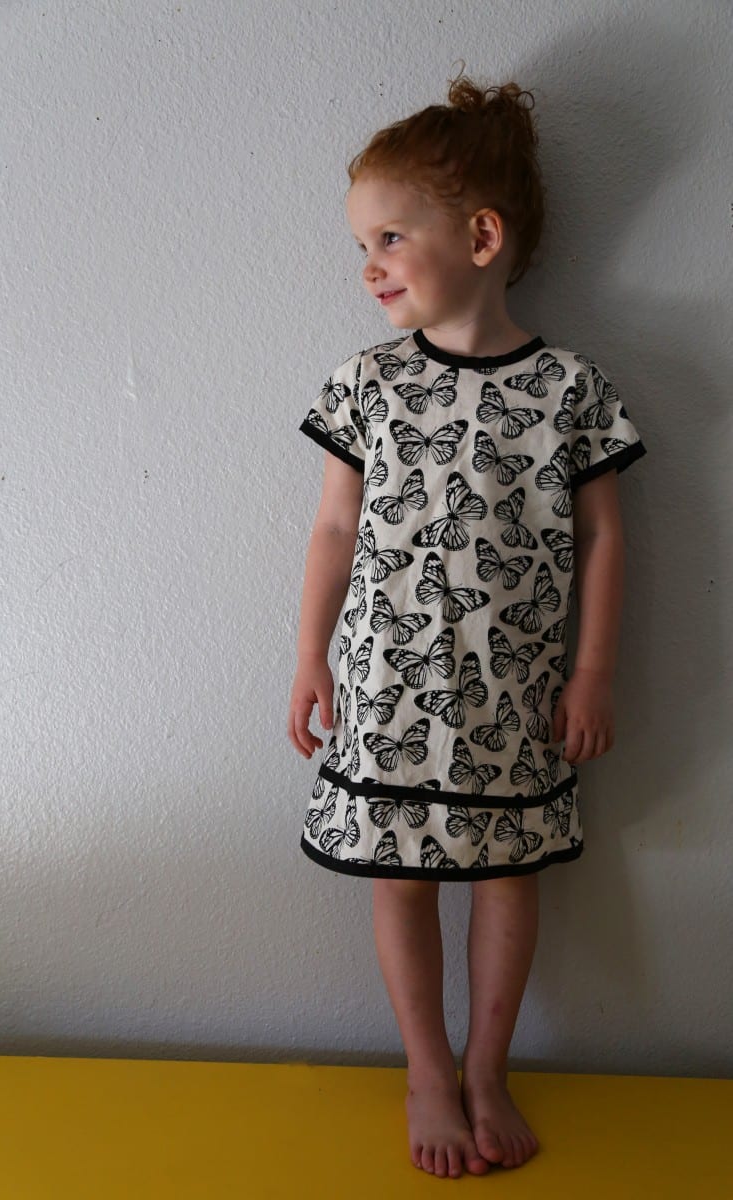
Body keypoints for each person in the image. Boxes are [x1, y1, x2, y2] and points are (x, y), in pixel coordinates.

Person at [287, 71, 646, 1181]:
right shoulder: (368, 384)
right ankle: (426, 1070)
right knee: (398, 877)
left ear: (482, 236)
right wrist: (307, 657)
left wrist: (592, 675)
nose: (369, 265)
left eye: (390, 237)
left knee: (507, 873)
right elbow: (333, 531)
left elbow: (605, 538)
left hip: (512, 697)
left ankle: (487, 1068)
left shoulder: (569, 390)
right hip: (385, 689)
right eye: (362, 243)